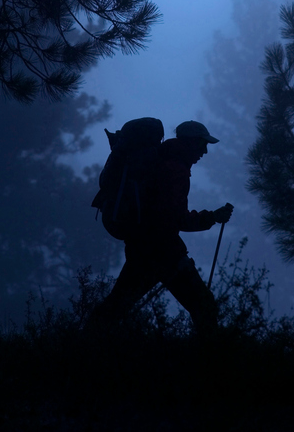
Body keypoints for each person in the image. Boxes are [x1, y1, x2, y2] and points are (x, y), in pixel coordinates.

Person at [88, 120, 233, 334]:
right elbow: (176, 219)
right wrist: (211, 218)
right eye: (203, 144)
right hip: (163, 252)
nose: (205, 151)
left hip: (141, 246)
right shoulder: (175, 168)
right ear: (191, 142)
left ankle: (80, 346)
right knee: (204, 307)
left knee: (115, 308)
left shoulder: (162, 159)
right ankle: (209, 363)